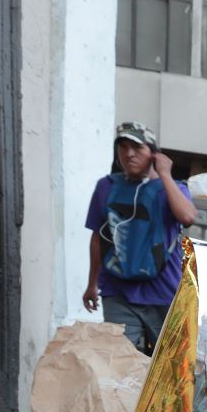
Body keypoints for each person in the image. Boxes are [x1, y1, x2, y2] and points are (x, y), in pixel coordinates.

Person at [82, 122, 196, 355]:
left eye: (137, 147)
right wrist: (92, 283)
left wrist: (165, 174)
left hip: (164, 293)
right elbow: (98, 237)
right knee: (118, 362)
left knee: (170, 364)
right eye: (123, 147)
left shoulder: (170, 188)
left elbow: (187, 217)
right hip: (117, 292)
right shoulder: (106, 187)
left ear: (154, 153)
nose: (129, 154)